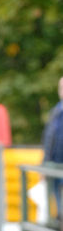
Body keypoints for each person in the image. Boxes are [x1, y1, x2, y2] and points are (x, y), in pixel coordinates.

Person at [43, 76, 63, 219]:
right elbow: (49, 139)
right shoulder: (56, 111)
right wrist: (45, 162)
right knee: (57, 206)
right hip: (54, 164)